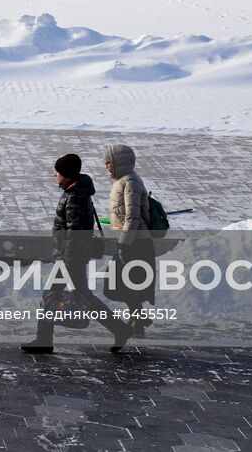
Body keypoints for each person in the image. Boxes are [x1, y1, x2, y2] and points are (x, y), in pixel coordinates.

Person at [21, 153, 133, 354]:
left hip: (69, 258)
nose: (54, 174)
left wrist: (68, 261)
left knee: (50, 294)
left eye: (57, 171)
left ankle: (44, 340)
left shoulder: (74, 197)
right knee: (84, 296)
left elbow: (74, 234)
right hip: (73, 257)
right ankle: (120, 329)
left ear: (66, 174)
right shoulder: (77, 191)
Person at [103, 143, 157, 335]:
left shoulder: (130, 183)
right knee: (120, 284)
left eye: (109, 162)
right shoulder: (123, 181)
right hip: (131, 240)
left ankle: (138, 320)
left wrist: (124, 244)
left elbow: (132, 218)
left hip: (135, 243)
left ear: (119, 162)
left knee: (122, 284)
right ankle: (139, 319)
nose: (106, 166)